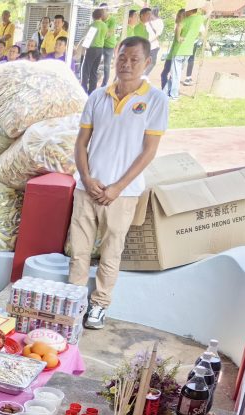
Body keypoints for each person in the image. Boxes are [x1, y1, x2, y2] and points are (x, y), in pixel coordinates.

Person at [69, 36, 167, 329]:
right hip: (87, 188)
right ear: (115, 58)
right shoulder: (97, 96)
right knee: (79, 250)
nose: (126, 64)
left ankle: (98, 306)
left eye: (134, 59)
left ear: (147, 62)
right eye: (122, 58)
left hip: (123, 194)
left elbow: (149, 151)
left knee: (112, 251)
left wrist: (118, 187)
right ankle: (74, 302)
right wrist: (86, 178)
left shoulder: (155, 100)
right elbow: (81, 143)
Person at [168, 7, 206, 100]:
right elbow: (207, 17)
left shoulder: (184, 20)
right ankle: (169, 91)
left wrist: (178, 37)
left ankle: (174, 95)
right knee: (176, 72)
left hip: (179, 51)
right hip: (188, 51)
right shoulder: (199, 18)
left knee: (176, 74)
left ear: (190, 11)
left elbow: (178, 30)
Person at [83, 9, 108, 94]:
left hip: (92, 49)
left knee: (86, 70)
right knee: (94, 71)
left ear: (93, 16)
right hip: (100, 49)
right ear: (101, 16)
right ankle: (92, 91)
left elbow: (88, 40)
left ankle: (83, 89)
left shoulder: (93, 25)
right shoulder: (105, 26)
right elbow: (105, 37)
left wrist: (84, 49)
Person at [99, 4, 118, 87]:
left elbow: (110, 33)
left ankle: (104, 84)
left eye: (102, 11)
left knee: (106, 66)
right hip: (100, 45)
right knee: (96, 63)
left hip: (109, 46)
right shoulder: (99, 20)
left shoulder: (112, 20)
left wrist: (101, 36)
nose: (101, 13)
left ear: (106, 11)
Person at [141, 8, 163, 74]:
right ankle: (141, 77)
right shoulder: (147, 22)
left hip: (152, 46)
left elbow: (157, 34)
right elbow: (158, 34)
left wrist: (149, 41)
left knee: (151, 63)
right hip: (148, 46)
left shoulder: (158, 21)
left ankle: (142, 76)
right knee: (148, 63)